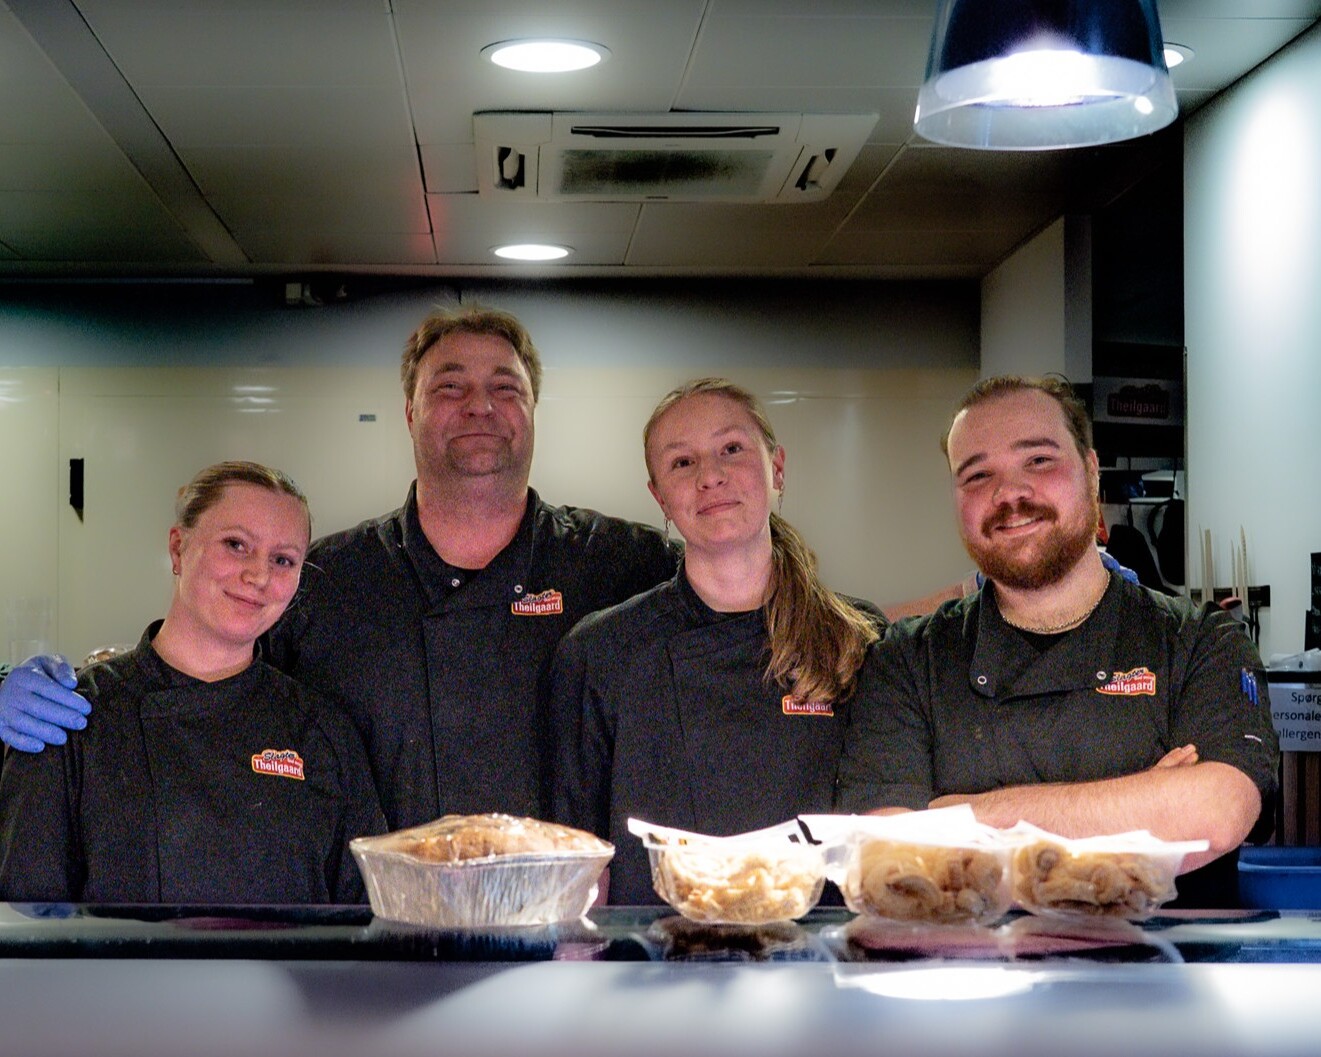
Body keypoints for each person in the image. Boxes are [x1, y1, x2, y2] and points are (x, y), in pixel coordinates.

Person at [0, 307, 681, 830]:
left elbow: (746, 623)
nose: (480, 405)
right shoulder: (325, 577)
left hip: (567, 938)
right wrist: (36, 692)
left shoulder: (624, 562)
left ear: (533, 413)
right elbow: (196, 686)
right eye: (450, 386)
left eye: (506, 388)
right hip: (368, 940)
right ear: (408, 411)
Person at [836, 375, 1279, 906]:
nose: (1009, 495)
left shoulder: (1202, 641)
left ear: (1092, 472)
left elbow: (1216, 813)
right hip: (971, 978)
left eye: (1039, 461)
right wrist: (1143, 804)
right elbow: (894, 853)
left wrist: (960, 817)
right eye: (977, 475)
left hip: (1169, 976)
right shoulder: (907, 659)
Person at [550, 378, 885, 904]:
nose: (711, 476)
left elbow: (885, 835)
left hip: (819, 961)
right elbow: (581, 859)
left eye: (731, 449)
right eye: (682, 462)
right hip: (656, 962)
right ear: (658, 495)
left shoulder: (858, 640)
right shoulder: (602, 652)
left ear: (777, 468)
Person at [0, 462, 385, 903]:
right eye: (236, 545)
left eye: (283, 559)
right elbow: (27, 923)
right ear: (178, 549)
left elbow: (364, 920)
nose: (258, 576)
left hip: (285, 975)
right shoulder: (72, 717)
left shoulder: (323, 733)